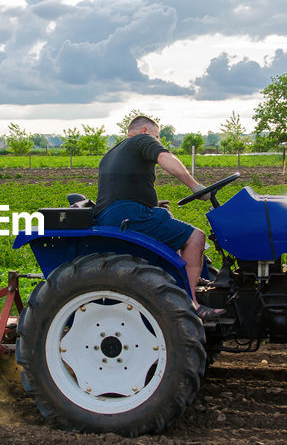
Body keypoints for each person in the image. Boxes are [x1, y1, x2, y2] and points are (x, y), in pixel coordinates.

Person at [94, 116, 223, 319]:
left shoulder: (112, 152)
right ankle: (192, 303)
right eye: (157, 137)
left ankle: (189, 283)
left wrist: (152, 205)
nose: (158, 141)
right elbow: (165, 158)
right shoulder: (142, 140)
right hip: (129, 215)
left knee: (170, 223)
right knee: (196, 237)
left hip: (113, 214)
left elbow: (122, 187)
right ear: (145, 130)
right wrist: (195, 186)